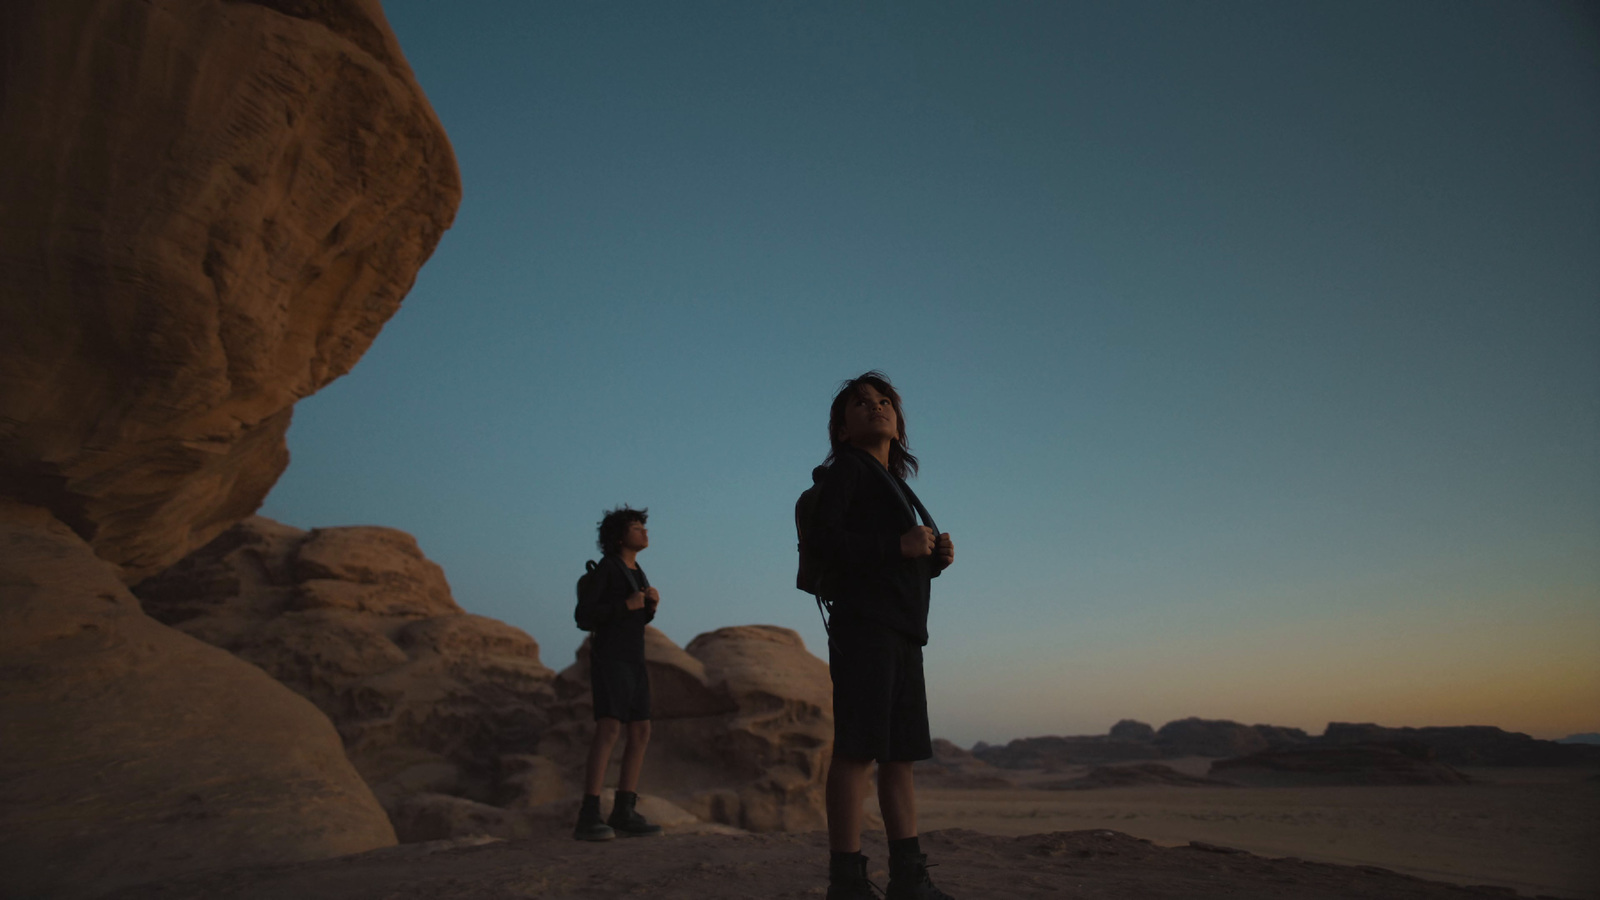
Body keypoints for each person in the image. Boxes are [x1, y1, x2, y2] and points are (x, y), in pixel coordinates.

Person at [811, 372, 957, 900]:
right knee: (856, 752)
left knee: (899, 757)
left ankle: (908, 878)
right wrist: (898, 547)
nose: (875, 407)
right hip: (865, 630)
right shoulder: (847, 471)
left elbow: (884, 560)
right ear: (842, 431)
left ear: (897, 423)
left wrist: (931, 562)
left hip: (902, 632)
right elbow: (829, 542)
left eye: (884, 401)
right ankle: (846, 881)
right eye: (860, 403)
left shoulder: (895, 485)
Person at [572, 505, 664, 841]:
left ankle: (624, 811)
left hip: (634, 659)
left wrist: (648, 608)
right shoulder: (608, 569)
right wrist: (625, 606)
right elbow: (584, 616)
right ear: (619, 535)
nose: (644, 532)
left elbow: (634, 620)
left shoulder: (638, 572)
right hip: (611, 658)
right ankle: (589, 814)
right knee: (609, 729)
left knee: (640, 731)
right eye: (636, 527)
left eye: (643, 526)